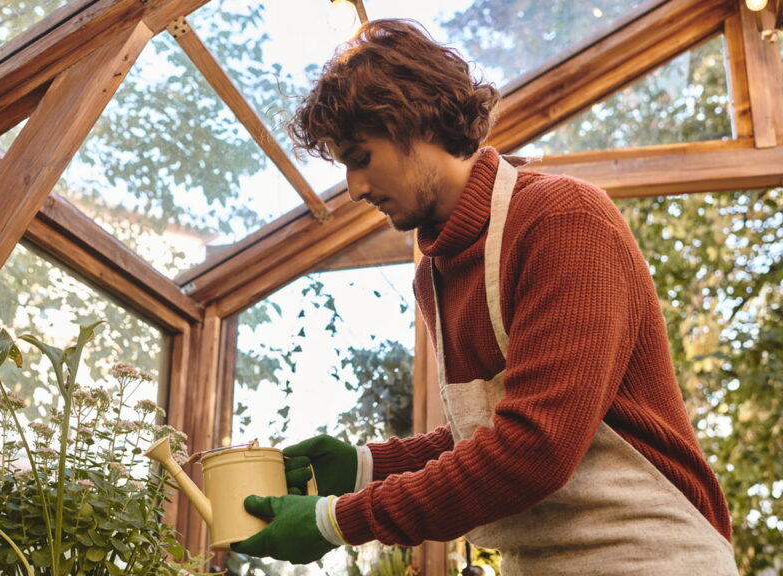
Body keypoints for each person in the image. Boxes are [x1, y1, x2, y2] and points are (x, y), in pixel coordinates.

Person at [230, 19, 739, 575]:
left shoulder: (562, 220)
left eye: (359, 156)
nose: (355, 189)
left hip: (647, 555)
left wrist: (338, 520)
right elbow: (491, 432)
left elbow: (537, 446)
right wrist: (364, 465)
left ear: (415, 123)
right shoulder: (437, 272)